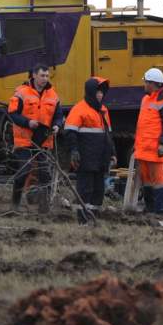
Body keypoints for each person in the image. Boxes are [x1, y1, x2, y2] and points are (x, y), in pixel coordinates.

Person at [7, 64, 62, 213]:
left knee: (45, 174)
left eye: (47, 76)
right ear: (34, 76)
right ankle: (15, 204)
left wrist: (57, 126)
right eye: (42, 76)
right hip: (24, 140)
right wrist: (27, 123)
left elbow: (58, 116)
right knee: (24, 171)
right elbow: (12, 114)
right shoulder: (21, 92)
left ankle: (44, 208)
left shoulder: (53, 95)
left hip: (44, 141)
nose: (45, 79)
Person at [63, 76, 116, 222]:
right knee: (85, 190)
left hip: (101, 159)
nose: (100, 95)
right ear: (91, 92)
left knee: (99, 190)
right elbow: (69, 132)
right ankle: (83, 220)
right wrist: (74, 151)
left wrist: (112, 153)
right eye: (98, 92)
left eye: (102, 92)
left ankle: (94, 218)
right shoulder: (79, 109)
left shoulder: (103, 109)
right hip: (85, 158)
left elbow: (108, 134)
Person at [134, 68, 163, 214]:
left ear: (152, 83)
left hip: (156, 147)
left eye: (145, 82)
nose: (144, 85)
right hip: (144, 148)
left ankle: (160, 210)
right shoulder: (147, 98)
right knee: (146, 179)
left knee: (158, 179)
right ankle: (150, 208)